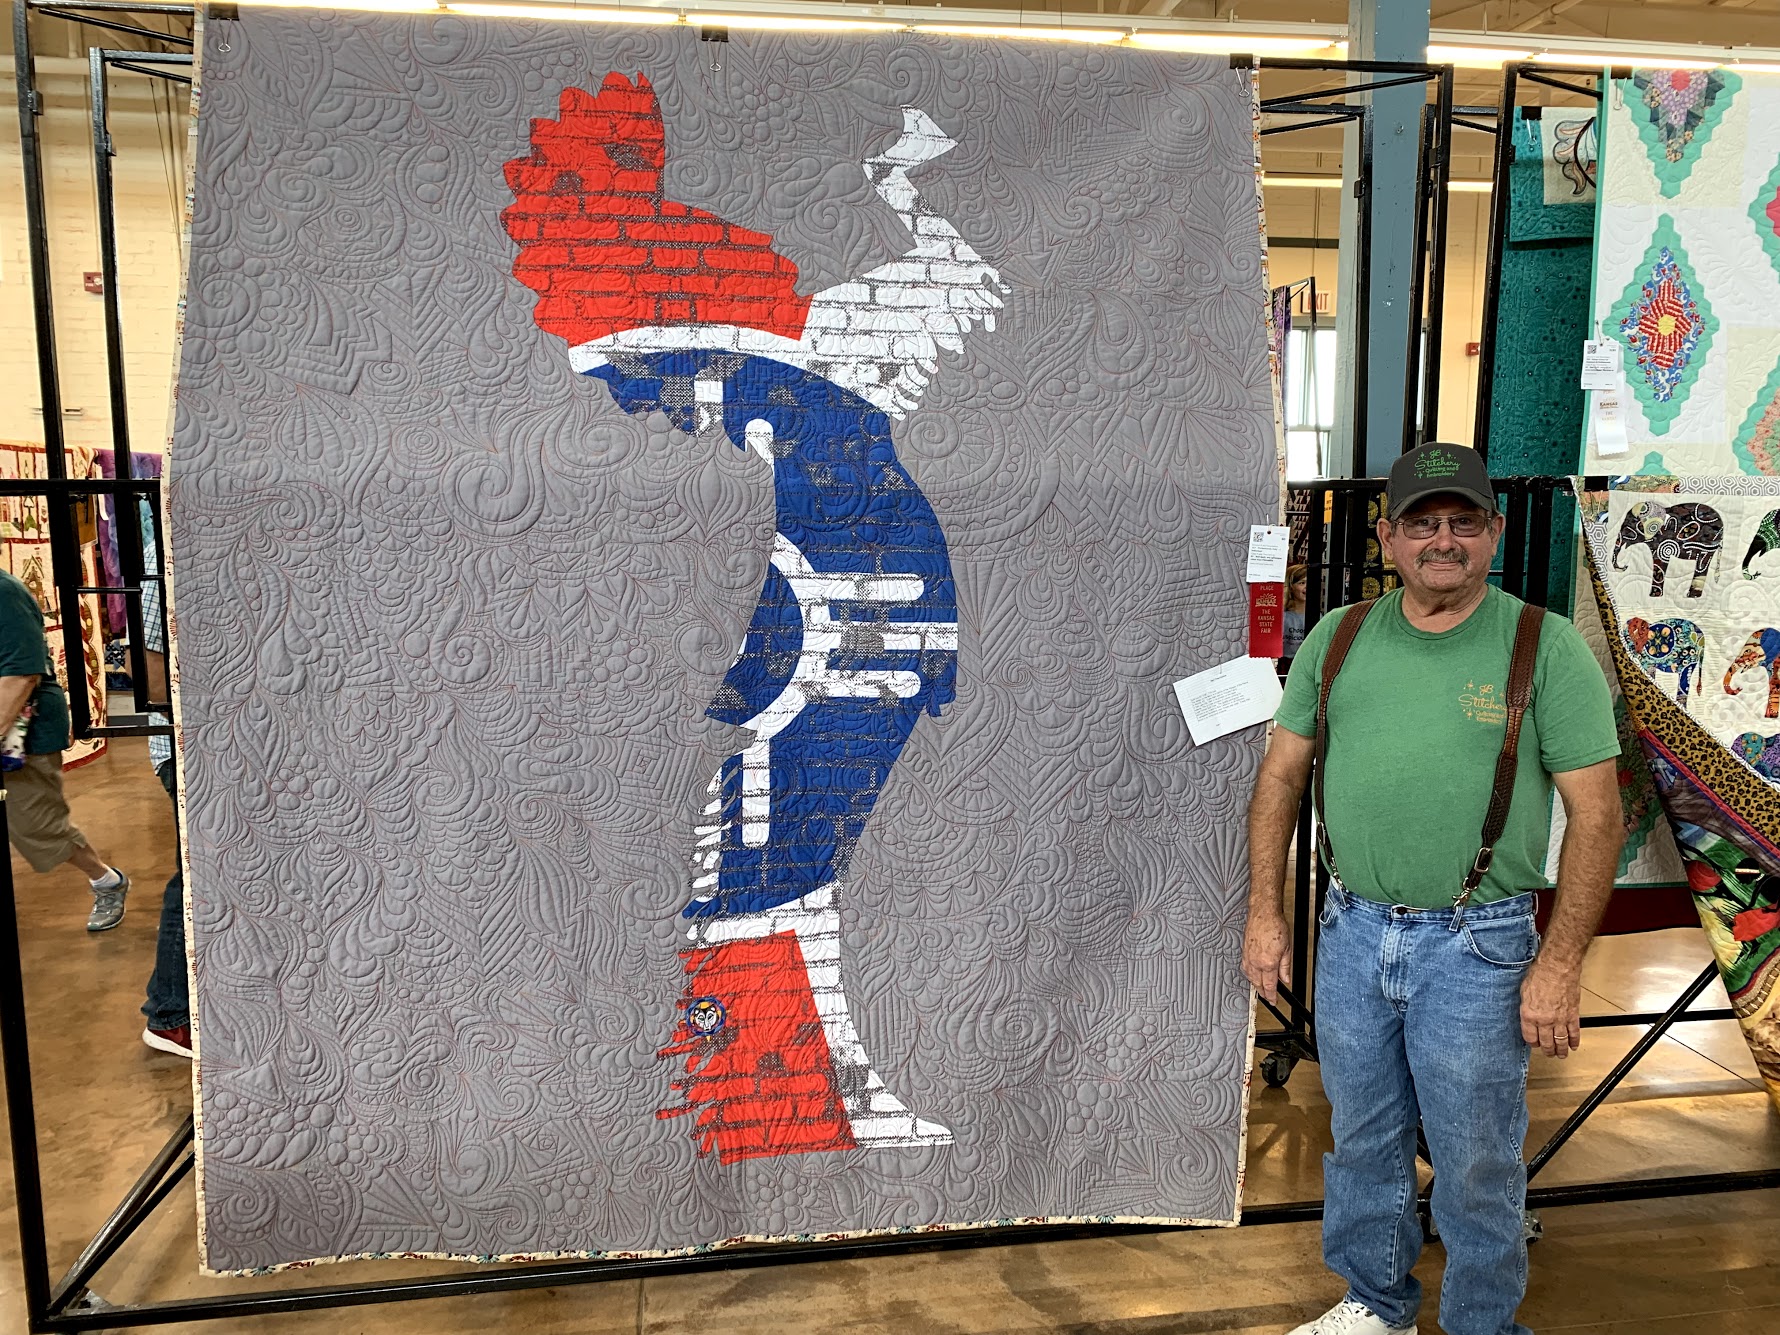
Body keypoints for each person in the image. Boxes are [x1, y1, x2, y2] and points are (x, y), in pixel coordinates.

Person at [1243, 443, 1625, 1335]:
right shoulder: (1337, 638)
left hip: (1480, 946)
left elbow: (1598, 818)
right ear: (1387, 537)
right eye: (1422, 522)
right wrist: (1266, 913)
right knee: (1364, 1142)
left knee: (1476, 1160)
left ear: (1493, 532)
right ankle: (1374, 1304)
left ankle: (1483, 1325)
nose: (1442, 539)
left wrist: (1560, 961)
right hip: (1350, 933)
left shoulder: (1545, 644)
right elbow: (1279, 782)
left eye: (1462, 521)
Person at [0, 569, 129, 929]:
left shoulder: (4, 593)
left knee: (38, 827)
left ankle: (107, 881)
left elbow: (22, 674)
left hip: (23, 732)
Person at [138, 529, 190, 1059]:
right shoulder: (173, 548)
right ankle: (170, 1011)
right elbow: (153, 677)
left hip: (221, 746)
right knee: (198, 874)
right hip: (191, 748)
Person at [1283, 562, 1311, 660]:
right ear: (1291, 587)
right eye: (1302, 583)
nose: (1307, 586)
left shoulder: (1318, 616)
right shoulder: (1283, 617)